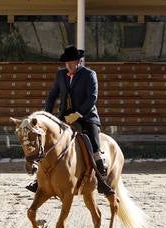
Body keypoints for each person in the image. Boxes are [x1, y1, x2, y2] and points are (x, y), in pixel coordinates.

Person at [26, 44, 109, 194]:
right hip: (64, 117)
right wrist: (46, 115)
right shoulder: (60, 75)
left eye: (71, 63)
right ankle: (39, 180)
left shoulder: (90, 75)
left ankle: (101, 177)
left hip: (86, 117)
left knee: (94, 144)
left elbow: (92, 98)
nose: (69, 66)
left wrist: (78, 114)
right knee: (49, 143)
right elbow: (52, 95)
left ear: (79, 62)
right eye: (67, 63)